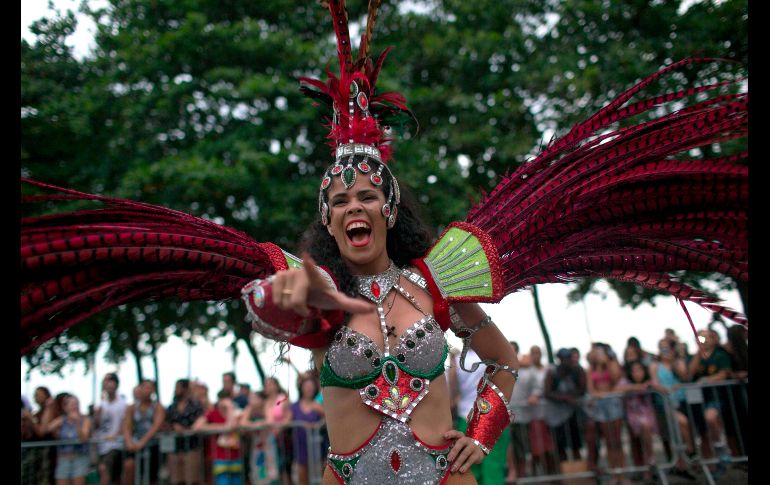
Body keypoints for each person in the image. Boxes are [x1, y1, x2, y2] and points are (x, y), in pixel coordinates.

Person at [649, 338, 697, 481]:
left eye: (667, 348)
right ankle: (690, 451)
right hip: (664, 403)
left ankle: (684, 462)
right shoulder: (655, 365)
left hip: (681, 401)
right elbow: (655, 382)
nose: (665, 352)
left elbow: (685, 376)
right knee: (678, 426)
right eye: (662, 348)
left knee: (681, 430)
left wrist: (676, 361)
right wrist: (665, 389)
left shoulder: (677, 364)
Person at [583, 344, 628, 485]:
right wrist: (601, 394)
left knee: (617, 441)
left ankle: (622, 474)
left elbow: (616, 379)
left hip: (613, 404)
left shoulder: (611, 364)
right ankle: (614, 475)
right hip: (600, 407)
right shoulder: (590, 369)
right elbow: (591, 390)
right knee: (609, 442)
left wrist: (607, 362)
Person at [616, 360, 660, 482]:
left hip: (648, 415)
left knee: (646, 434)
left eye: (639, 370)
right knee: (642, 437)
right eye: (634, 371)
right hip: (634, 417)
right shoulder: (626, 381)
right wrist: (637, 387)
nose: (637, 373)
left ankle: (649, 465)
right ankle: (649, 463)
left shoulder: (649, 380)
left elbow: (660, 387)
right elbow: (618, 389)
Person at [544, 348, 586, 467]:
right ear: (560, 359)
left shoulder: (577, 370)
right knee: (561, 447)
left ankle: (579, 472)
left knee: (576, 446)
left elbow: (582, 389)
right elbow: (547, 392)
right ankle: (566, 473)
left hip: (573, 414)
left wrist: (572, 397)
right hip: (557, 418)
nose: (567, 360)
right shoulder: (552, 372)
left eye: (568, 358)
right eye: (564, 358)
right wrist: (565, 398)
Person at [194, 391, 243, 485]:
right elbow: (197, 426)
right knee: (222, 481)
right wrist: (220, 427)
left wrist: (230, 409)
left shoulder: (237, 413)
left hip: (235, 456)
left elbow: (231, 426)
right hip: (220, 457)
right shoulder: (212, 413)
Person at [123, 380, 165, 485]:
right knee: (129, 465)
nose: (146, 390)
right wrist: (129, 442)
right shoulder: (132, 408)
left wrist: (142, 442)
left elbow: (156, 426)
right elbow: (127, 426)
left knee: (152, 475)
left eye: (149, 388)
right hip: (135, 443)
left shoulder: (157, 407)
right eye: (144, 387)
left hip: (152, 444)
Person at [165, 378, 206, 485]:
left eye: (178, 387)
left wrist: (186, 430)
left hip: (192, 445)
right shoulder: (172, 407)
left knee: (192, 477)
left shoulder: (196, 405)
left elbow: (200, 421)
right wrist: (173, 427)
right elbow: (166, 422)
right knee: (176, 478)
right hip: (175, 446)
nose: (176, 390)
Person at [46, 394, 92, 485]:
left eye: (76, 404)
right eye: (71, 404)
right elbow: (47, 429)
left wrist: (77, 423)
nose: (75, 406)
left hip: (79, 458)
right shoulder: (61, 420)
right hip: (63, 460)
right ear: (65, 407)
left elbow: (84, 439)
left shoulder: (86, 420)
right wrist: (50, 409)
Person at [291, 374, 326, 485]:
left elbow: (328, 418)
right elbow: (286, 422)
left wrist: (317, 425)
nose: (309, 389)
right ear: (301, 388)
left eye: (311, 387)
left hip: (317, 445)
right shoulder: (294, 406)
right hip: (300, 445)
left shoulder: (317, 405)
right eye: (306, 386)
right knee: (302, 477)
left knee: (321, 476)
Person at [92, 373, 127, 485]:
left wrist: (116, 435)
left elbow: (124, 423)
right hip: (101, 444)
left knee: (105, 469)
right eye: (106, 381)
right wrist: (97, 414)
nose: (108, 384)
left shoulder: (122, 404)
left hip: (115, 444)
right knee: (105, 474)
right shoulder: (102, 404)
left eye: (110, 381)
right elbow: (97, 425)